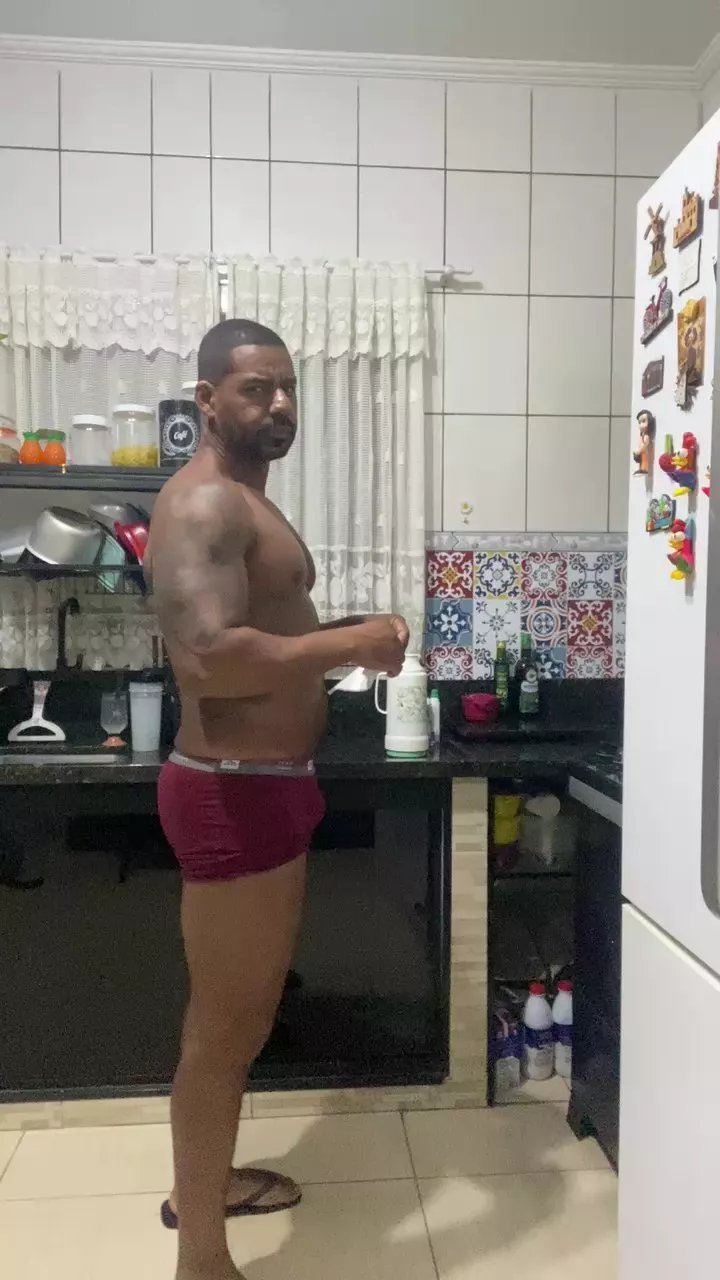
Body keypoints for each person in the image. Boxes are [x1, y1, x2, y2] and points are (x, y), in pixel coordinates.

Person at [147, 318, 409, 1280]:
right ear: (208, 399)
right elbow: (209, 660)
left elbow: (264, 632)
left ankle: (207, 1185)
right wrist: (351, 645)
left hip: (266, 786)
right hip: (233, 793)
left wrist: (340, 635)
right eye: (257, 388)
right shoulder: (204, 503)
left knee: (241, 1023)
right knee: (224, 1034)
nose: (280, 404)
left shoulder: (249, 501)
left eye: (288, 387)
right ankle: (201, 1257)